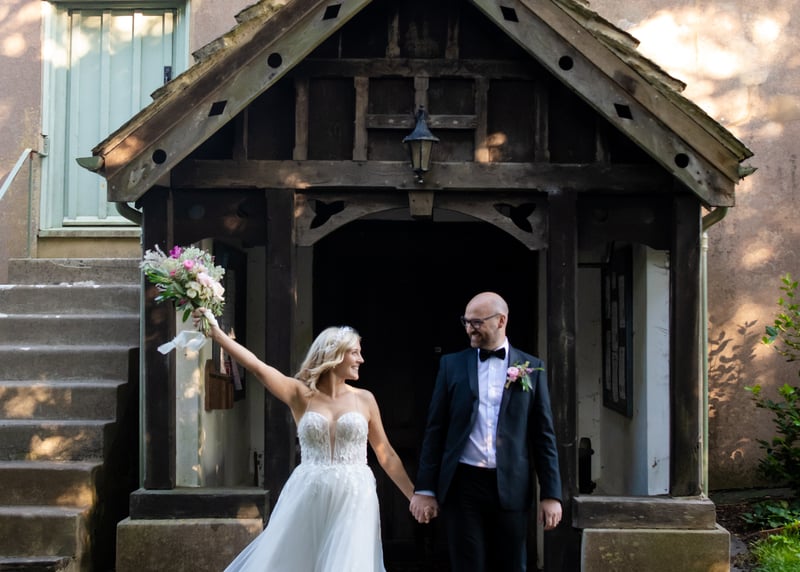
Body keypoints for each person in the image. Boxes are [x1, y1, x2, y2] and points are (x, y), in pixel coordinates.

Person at [196, 310, 417, 571]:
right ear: (335, 355)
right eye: (355, 353)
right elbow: (256, 366)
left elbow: (385, 454)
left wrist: (414, 497)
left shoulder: (365, 399)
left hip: (355, 494)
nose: (361, 359)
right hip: (309, 490)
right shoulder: (300, 394)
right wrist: (217, 335)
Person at [409, 292, 562, 571]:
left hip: (512, 484)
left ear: (501, 321)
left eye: (477, 322)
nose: (470, 328)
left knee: (511, 565)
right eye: (466, 322)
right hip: (463, 484)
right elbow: (435, 430)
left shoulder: (531, 368)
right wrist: (425, 488)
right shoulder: (451, 365)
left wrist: (551, 494)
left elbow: (543, 436)